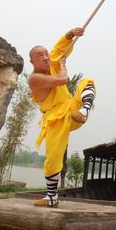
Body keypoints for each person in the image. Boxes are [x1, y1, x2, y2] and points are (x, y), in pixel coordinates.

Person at [28, 27, 95, 207]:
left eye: (45, 54)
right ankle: (52, 197)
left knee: (87, 82)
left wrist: (71, 34)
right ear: (32, 61)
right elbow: (62, 80)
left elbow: (59, 50)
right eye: (40, 55)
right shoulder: (34, 78)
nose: (45, 57)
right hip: (55, 119)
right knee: (53, 157)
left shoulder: (53, 64)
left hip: (72, 111)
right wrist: (63, 65)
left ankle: (85, 110)